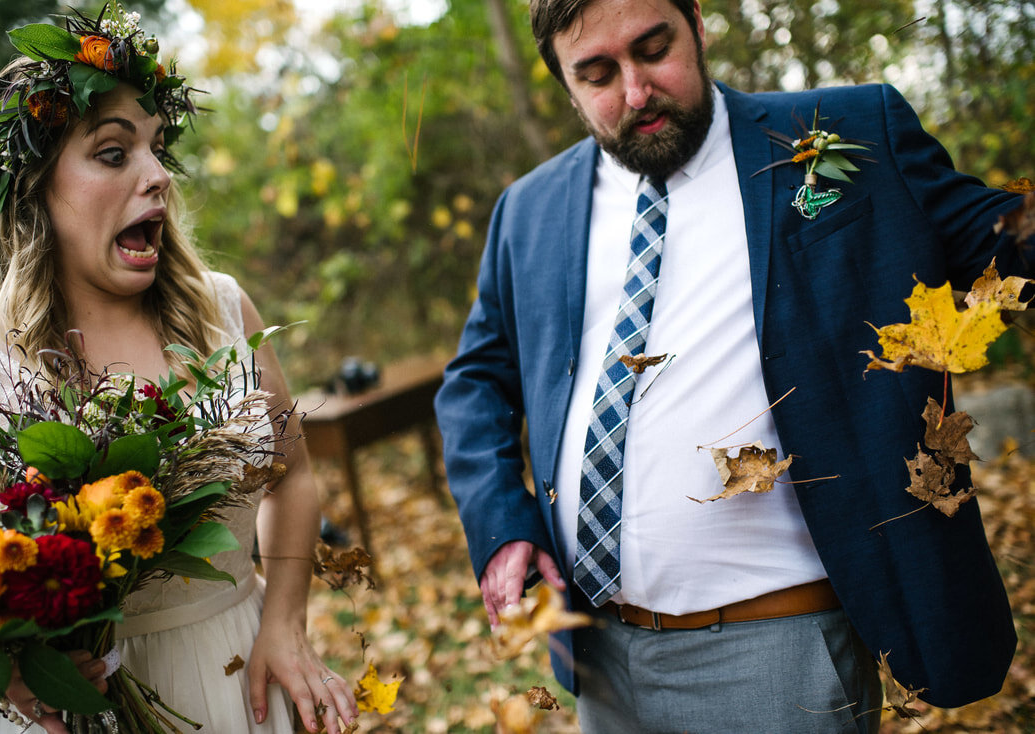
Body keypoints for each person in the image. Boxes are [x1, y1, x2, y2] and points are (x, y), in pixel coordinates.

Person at [434, 0, 1026, 731]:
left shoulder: (837, 135)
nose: (636, 90)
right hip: (602, 662)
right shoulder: (527, 210)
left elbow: (1006, 245)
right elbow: (475, 380)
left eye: (654, 49)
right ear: (563, 83)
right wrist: (502, 524)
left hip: (783, 650)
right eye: (597, 74)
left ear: (699, 26)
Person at [0, 5, 357, 734]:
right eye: (113, 151)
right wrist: (0, 673)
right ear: (33, 187)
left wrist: (285, 622)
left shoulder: (222, 313)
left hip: (240, 677)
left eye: (158, 148)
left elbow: (293, 476)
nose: (159, 174)